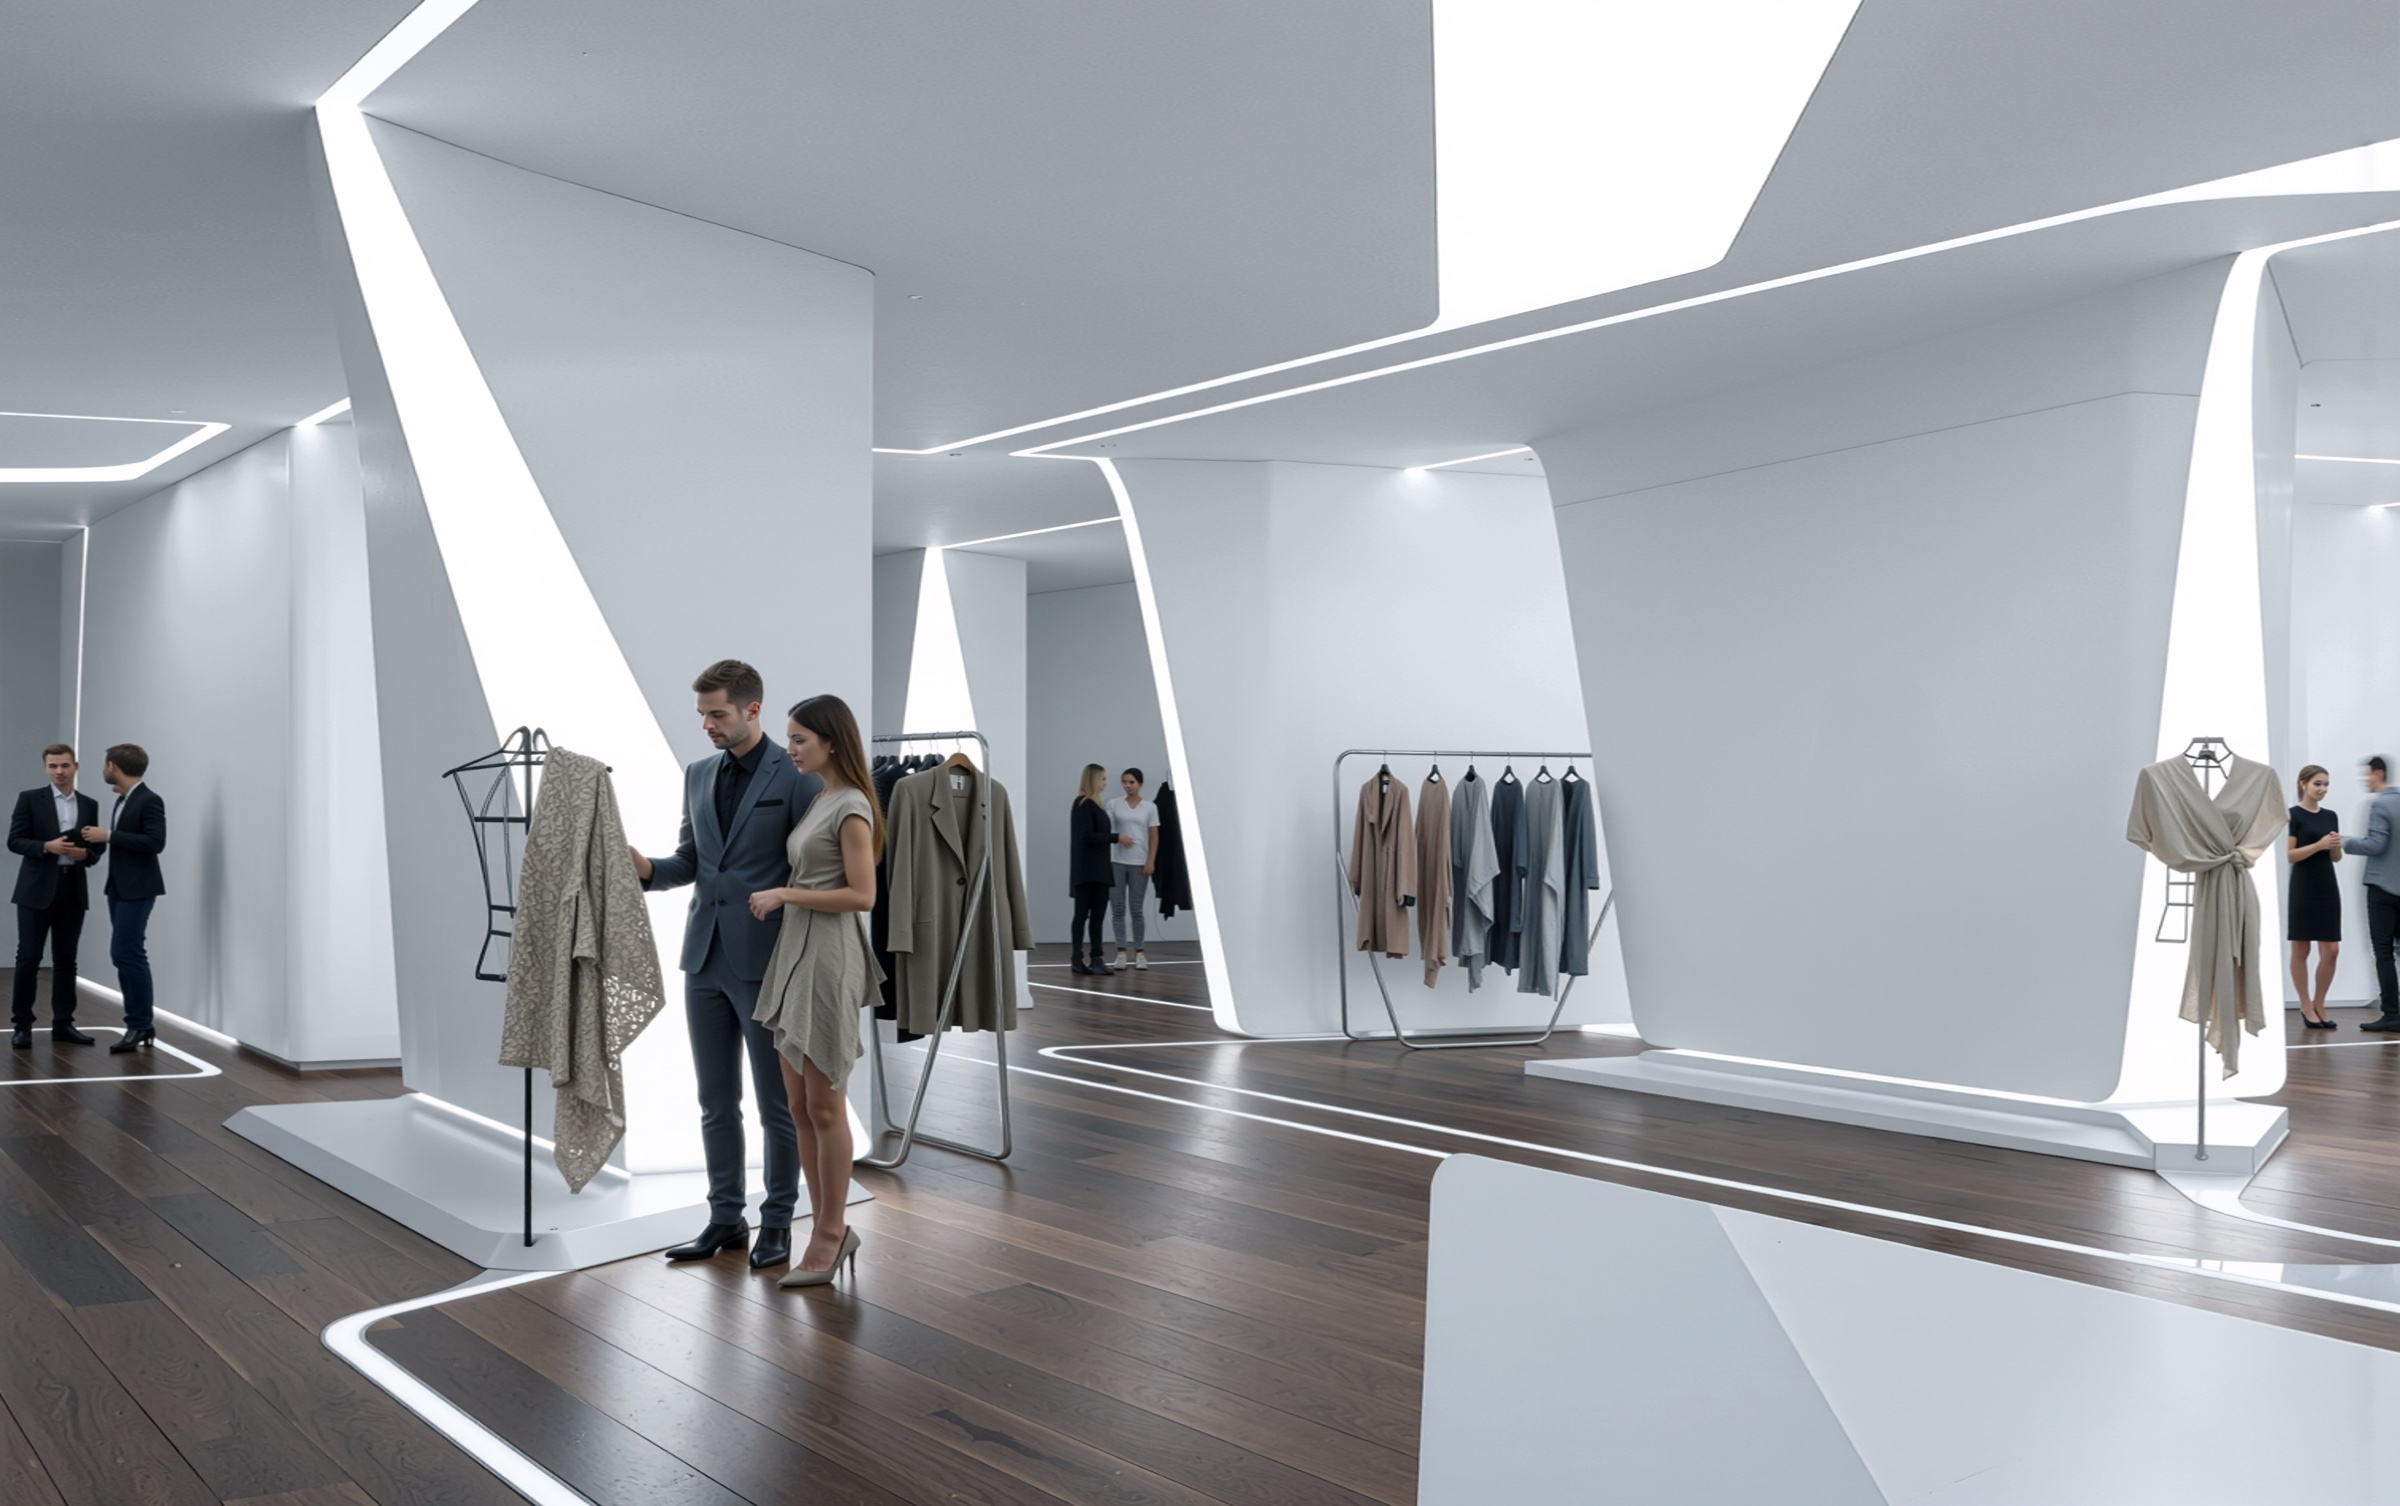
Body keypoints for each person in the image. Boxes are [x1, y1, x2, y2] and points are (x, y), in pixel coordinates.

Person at [630, 660, 821, 1269]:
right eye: (702, 715)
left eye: (717, 714)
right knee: (715, 1100)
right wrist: (645, 868)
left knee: (777, 1104)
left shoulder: (795, 777)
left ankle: (779, 1221)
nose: (708, 725)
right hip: (703, 958)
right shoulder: (698, 773)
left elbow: (809, 870)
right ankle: (724, 1218)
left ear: (752, 710)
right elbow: (691, 861)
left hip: (766, 961)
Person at [748, 694, 881, 1287]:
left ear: (831, 741)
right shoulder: (824, 799)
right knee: (799, 1107)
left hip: (827, 958)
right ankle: (822, 1226)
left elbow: (863, 895)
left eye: (800, 739)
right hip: (798, 954)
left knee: (824, 1105)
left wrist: (785, 893)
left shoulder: (850, 805)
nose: (791, 748)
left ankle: (832, 1231)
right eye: (790, 738)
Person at [7, 745, 100, 1049]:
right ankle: (22, 1026)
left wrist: (85, 853)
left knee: (66, 960)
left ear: (76, 766)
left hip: (72, 888)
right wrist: (46, 846)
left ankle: (63, 1024)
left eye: (64, 765)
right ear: (45, 768)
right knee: (28, 958)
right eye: (52, 766)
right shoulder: (30, 799)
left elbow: (96, 850)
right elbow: (15, 840)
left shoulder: (89, 804)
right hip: (35, 889)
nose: (58, 772)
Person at [79, 744, 166, 1053]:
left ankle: (141, 1025)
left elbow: (156, 842)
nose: (103, 769)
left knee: (127, 953)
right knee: (124, 954)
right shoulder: (123, 799)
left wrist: (109, 835)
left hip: (138, 889)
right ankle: (140, 1023)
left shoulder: (149, 800)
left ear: (113, 765)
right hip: (119, 887)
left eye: (105, 764)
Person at [2344, 755, 2400, 1032]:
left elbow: (2376, 845)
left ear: (2378, 774)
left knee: (2383, 951)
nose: (2365, 780)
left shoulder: (2380, 804)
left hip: (2382, 889)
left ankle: (2391, 1013)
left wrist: (2345, 843)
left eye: (2367, 775)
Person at [2285, 763, 2341, 1029]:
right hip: (2303, 886)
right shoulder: (2293, 815)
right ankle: (2305, 1005)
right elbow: (2290, 855)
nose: (2323, 789)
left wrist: (2335, 846)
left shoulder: (2331, 816)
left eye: (2326, 784)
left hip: (2327, 884)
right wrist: (2318, 844)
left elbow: (2336, 858)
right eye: (2318, 783)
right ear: (2303, 784)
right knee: (2301, 948)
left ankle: (2320, 1003)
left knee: (2331, 949)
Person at [1105, 767, 1160, 969]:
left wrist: (1150, 860)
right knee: (1117, 909)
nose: (1128, 786)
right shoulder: (1113, 804)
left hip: (1139, 864)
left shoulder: (1150, 808)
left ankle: (1139, 952)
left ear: (1140, 784)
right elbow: (1107, 830)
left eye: (1132, 782)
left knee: (1136, 909)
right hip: (1117, 862)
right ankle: (1120, 951)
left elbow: (1154, 836)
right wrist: (1118, 838)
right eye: (1124, 782)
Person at [1068, 764, 1116, 976]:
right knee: (1081, 915)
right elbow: (1086, 836)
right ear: (1093, 779)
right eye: (1103, 779)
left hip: (1101, 869)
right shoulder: (1082, 804)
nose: (1105, 783)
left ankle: (1097, 958)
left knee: (1097, 916)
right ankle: (1077, 958)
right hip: (1086, 870)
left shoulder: (1098, 805)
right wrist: (1116, 837)